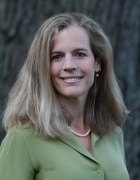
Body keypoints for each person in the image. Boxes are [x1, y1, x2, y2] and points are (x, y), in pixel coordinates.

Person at [0, 12, 129, 180]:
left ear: (98, 63)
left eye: (80, 54)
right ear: (43, 67)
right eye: (57, 57)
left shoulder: (113, 134)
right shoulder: (22, 138)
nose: (69, 65)